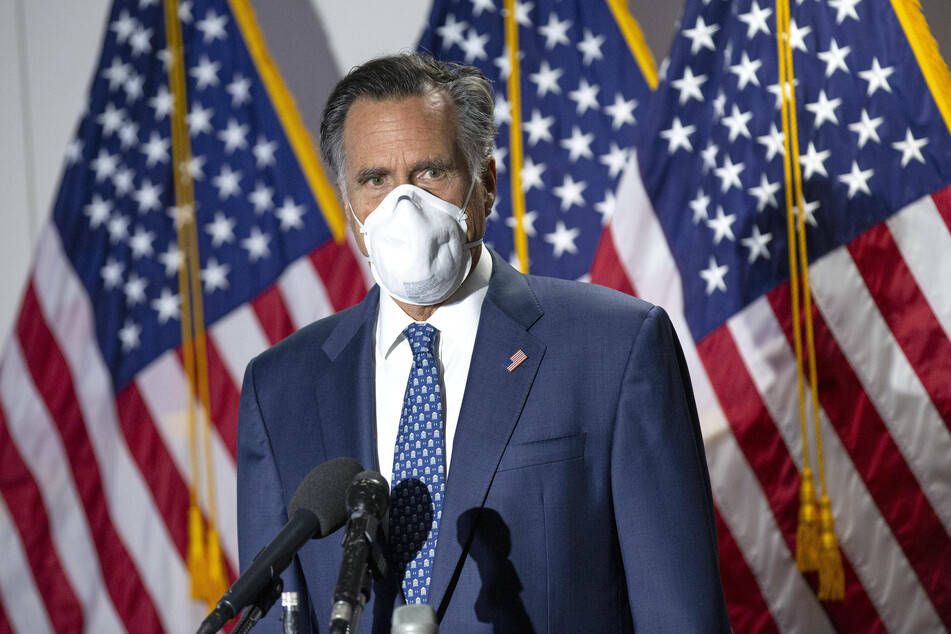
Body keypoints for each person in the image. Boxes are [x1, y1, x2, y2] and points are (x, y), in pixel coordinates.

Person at [237, 53, 730, 633]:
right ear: (350, 208)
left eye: (429, 172)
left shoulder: (615, 349)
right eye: (375, 180)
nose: (404, 204)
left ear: (485, 186)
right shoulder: (281, 387)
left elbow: (680, 617)